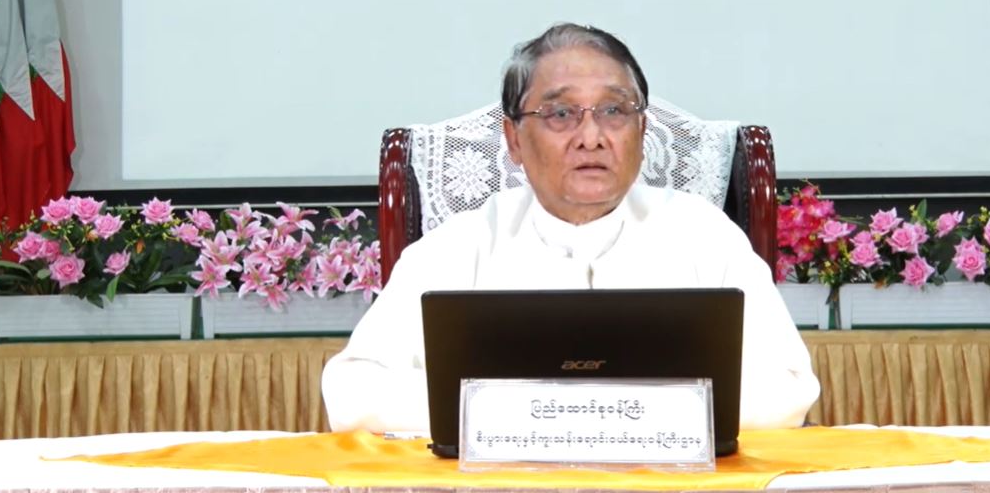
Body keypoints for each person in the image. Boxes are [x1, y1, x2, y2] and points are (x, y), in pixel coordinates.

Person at [321, 23, 820, 433]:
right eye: (561, 113)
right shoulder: (460, 247)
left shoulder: (703, 236)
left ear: (642, 131)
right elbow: (351, 394)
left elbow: (788, 389)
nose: (591, 137)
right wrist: (546, 412)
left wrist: (587, 410)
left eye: (614, 111)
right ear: (514, 140)